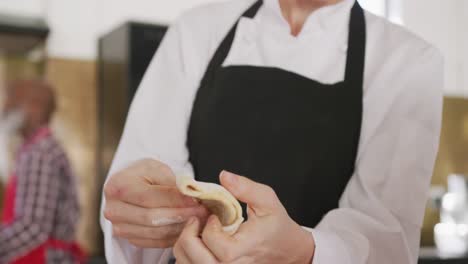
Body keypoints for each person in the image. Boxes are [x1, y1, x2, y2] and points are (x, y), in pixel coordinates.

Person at [101, 0, 443, 263]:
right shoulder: (198, 30)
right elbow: (140, 184)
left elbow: (387, 241)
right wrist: (142, 217)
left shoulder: (408, 61)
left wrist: (304, 251)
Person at [0, 80, 84, 263]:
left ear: (35, 105)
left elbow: (32, 227)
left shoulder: (40, 153)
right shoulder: (33, 149)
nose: (5, 108)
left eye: (12, 100)